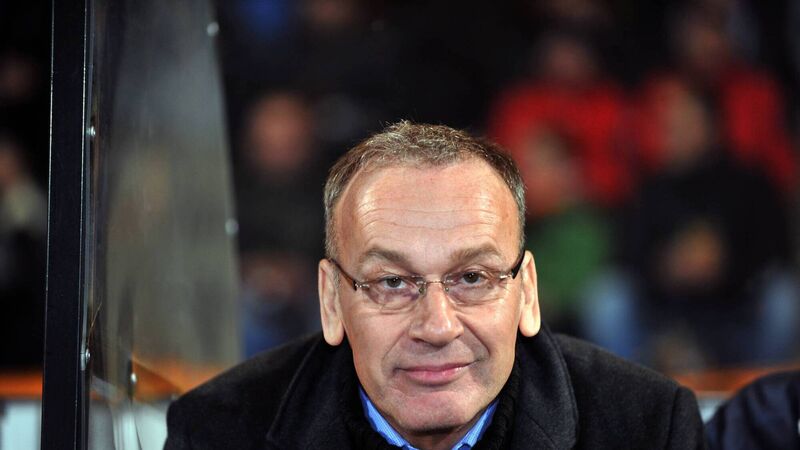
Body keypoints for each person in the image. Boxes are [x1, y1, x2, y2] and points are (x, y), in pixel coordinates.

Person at [164, 122, 705, 449]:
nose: (437, 326)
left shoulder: (649, 429)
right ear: (331, 300)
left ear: (527, 293)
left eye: (472, 277)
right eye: (392, 282)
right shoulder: (217, 432)